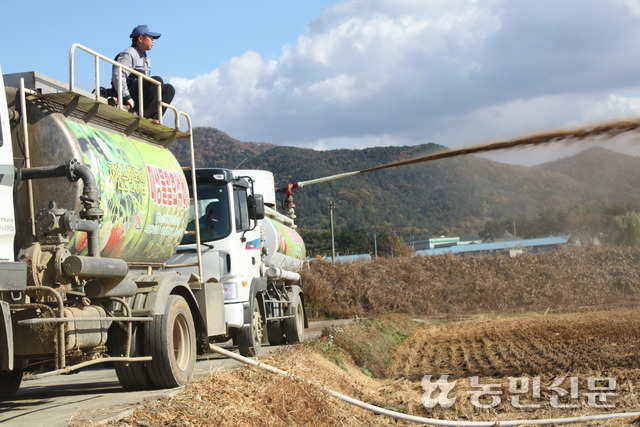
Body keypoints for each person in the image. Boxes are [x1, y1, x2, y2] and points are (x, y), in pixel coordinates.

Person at [111, 25, 175, 120]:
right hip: (129, 92)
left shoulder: (146, 59)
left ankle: (154, 117)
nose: (153, 41)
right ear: (140, 38)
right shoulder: (129, 53)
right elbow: (118, 75)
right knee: (156, 80)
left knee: (169, 89)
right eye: (150, 38)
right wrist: (127, 97)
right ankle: (146, 115)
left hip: (139, 92)